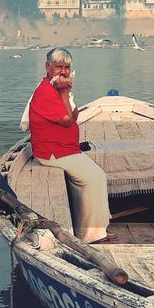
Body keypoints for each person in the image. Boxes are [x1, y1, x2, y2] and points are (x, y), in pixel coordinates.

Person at [27, 47, 111, 244]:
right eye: (58, 67)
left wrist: (65, 93)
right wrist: (64, 92)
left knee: (99, 175)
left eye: (67, 67)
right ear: (48, 67)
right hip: (52, 152)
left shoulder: (57, 89)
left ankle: (100, 230)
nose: (63, 72)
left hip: (66, 148)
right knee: (91, 178)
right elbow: (66, 121)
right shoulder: (46, 91)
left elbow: (74, 116)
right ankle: (90, 236)